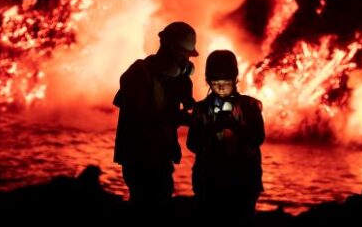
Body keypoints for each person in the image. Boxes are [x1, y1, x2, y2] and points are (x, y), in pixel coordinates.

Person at [113, 21, 198, 209]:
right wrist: (178, 117)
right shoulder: (139, 73)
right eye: (182, 55)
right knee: (148, 207)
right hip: (140, 159)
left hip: (160, 157)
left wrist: (187, 100)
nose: (185, 62)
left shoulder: (169, 78)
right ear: (167, 47)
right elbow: (140, 116)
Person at [187, 49, 265, 220]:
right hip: (208, 183)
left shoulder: (251, 106)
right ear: (207, 80)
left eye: (226, 82)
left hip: (243, 183)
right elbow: (192, 144)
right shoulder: (200, 110)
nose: (221, 87)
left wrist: (235, 126)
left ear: (235, 78)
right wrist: (212, 129)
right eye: (215, 82)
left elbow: (258, 138)